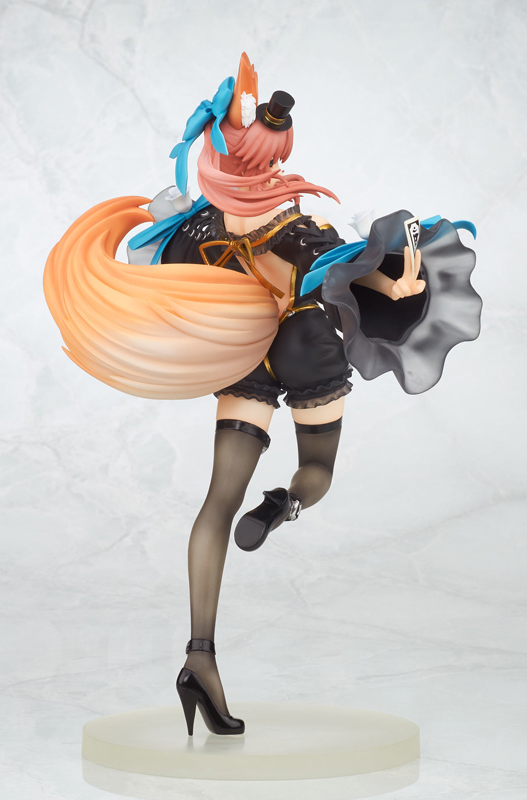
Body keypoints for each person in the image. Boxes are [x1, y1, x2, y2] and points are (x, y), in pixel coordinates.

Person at [44, 53, 481, 737]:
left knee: (216, 502)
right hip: (304, 348)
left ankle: (199, 656)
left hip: (243, 358)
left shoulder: (189, 231)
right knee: (318, 470)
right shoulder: (299, 230)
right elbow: (360, 277)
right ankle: (284, 504)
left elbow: (162, 282)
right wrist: (401, 273)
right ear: (267, 162)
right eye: (274, 160)